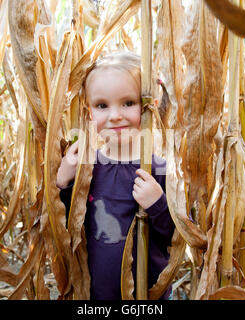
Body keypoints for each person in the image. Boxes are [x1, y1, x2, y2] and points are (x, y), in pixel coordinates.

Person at [56, 51, 174, 300]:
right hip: (96, 295)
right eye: (102, 105)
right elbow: (69, 227)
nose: (115, 115)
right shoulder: (87, 168)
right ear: (89, 112)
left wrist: (158, 205)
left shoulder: (160, 171)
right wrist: (64, 182)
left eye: (128, 103)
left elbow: (177, 238)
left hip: (149, 297)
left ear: (148, 105)